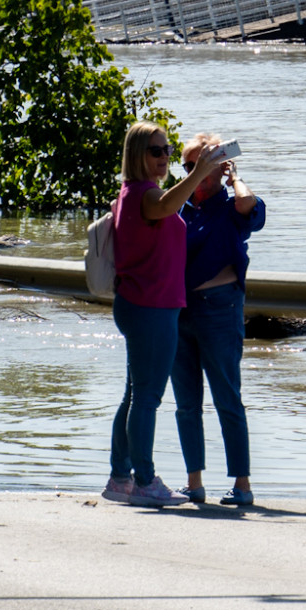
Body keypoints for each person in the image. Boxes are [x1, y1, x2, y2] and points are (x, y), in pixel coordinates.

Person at [104, 121, 214, 508]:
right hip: (151, 307)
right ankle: (144, 480)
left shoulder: (132, 193)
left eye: (167, 150)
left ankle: (120, 477)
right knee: (147, 398)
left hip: (144, 304)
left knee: (135, 395)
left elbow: (169, 206)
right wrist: (200, 172)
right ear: (137, 155)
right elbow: (166, 205)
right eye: (156, 151)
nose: (165, 157)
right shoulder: (144, 194)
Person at [171, 132, 266, 508]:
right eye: (188, 166)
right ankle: (194, 482)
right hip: (180, 310)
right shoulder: (180, 208)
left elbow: (247, 203)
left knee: (227, 396)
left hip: (220, 308)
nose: (193, 173)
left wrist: (231, 174)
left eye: (200, 166)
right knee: (185, 402)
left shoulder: (231, 208)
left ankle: (242, 484)